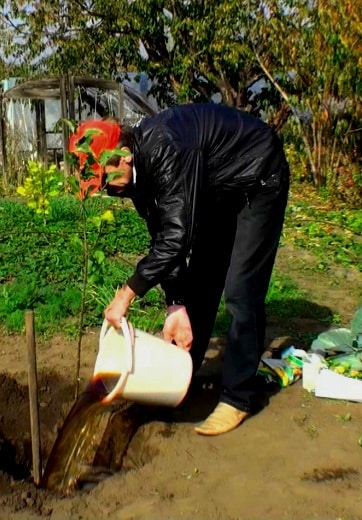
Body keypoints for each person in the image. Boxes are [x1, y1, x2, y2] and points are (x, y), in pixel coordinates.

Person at [69, 103, 290, 436]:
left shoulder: (166, 148)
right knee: (200, 281)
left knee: (242, 290)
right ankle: (184, 372)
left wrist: (127, 293)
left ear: (125, 154)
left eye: (105, 179)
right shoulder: (134, 178)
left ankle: (238, 397)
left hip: (258, 176)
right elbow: (162, 235)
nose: (106, 190)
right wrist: (175, 304)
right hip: (218, 189)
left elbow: (176, 237)